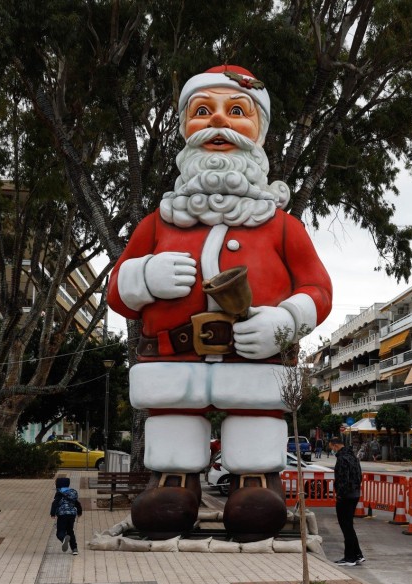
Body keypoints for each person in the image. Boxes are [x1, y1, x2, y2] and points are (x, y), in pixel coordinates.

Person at [108, 64, 332, 540]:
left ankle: (255, 485)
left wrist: (285, 319)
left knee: (253, 431)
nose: (218, 123)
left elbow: (318, 290)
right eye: (202, 111)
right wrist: (144, 277)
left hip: (253, 364)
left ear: (260, 132)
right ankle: (172, 485)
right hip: (173, 360)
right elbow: (116, 293)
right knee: (174, 426)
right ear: (186, 129)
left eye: (236, 111)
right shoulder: (159, 223)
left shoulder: (282, 227)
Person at [329, 437, 363, 566]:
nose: (331, 450)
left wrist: (340, 494)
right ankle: (358, 554)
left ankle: (350, 558)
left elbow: (343, 478)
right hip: (355, 494)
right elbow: (360, 475)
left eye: (331, 447)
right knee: (349, 525)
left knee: (346, 526)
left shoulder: (342, 459)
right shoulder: (353, 457)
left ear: (335, 445)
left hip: (346, 496)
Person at [50, 476, 82, 555]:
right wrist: (79, 512)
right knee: (70, 531)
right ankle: (74, 549)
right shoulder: (72, 493)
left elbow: (55, 504)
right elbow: (77, 503)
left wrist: (52, 513)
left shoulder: (59, 493)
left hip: (62, 515)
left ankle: (64, 538)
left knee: (60, 532)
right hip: (72, 515)